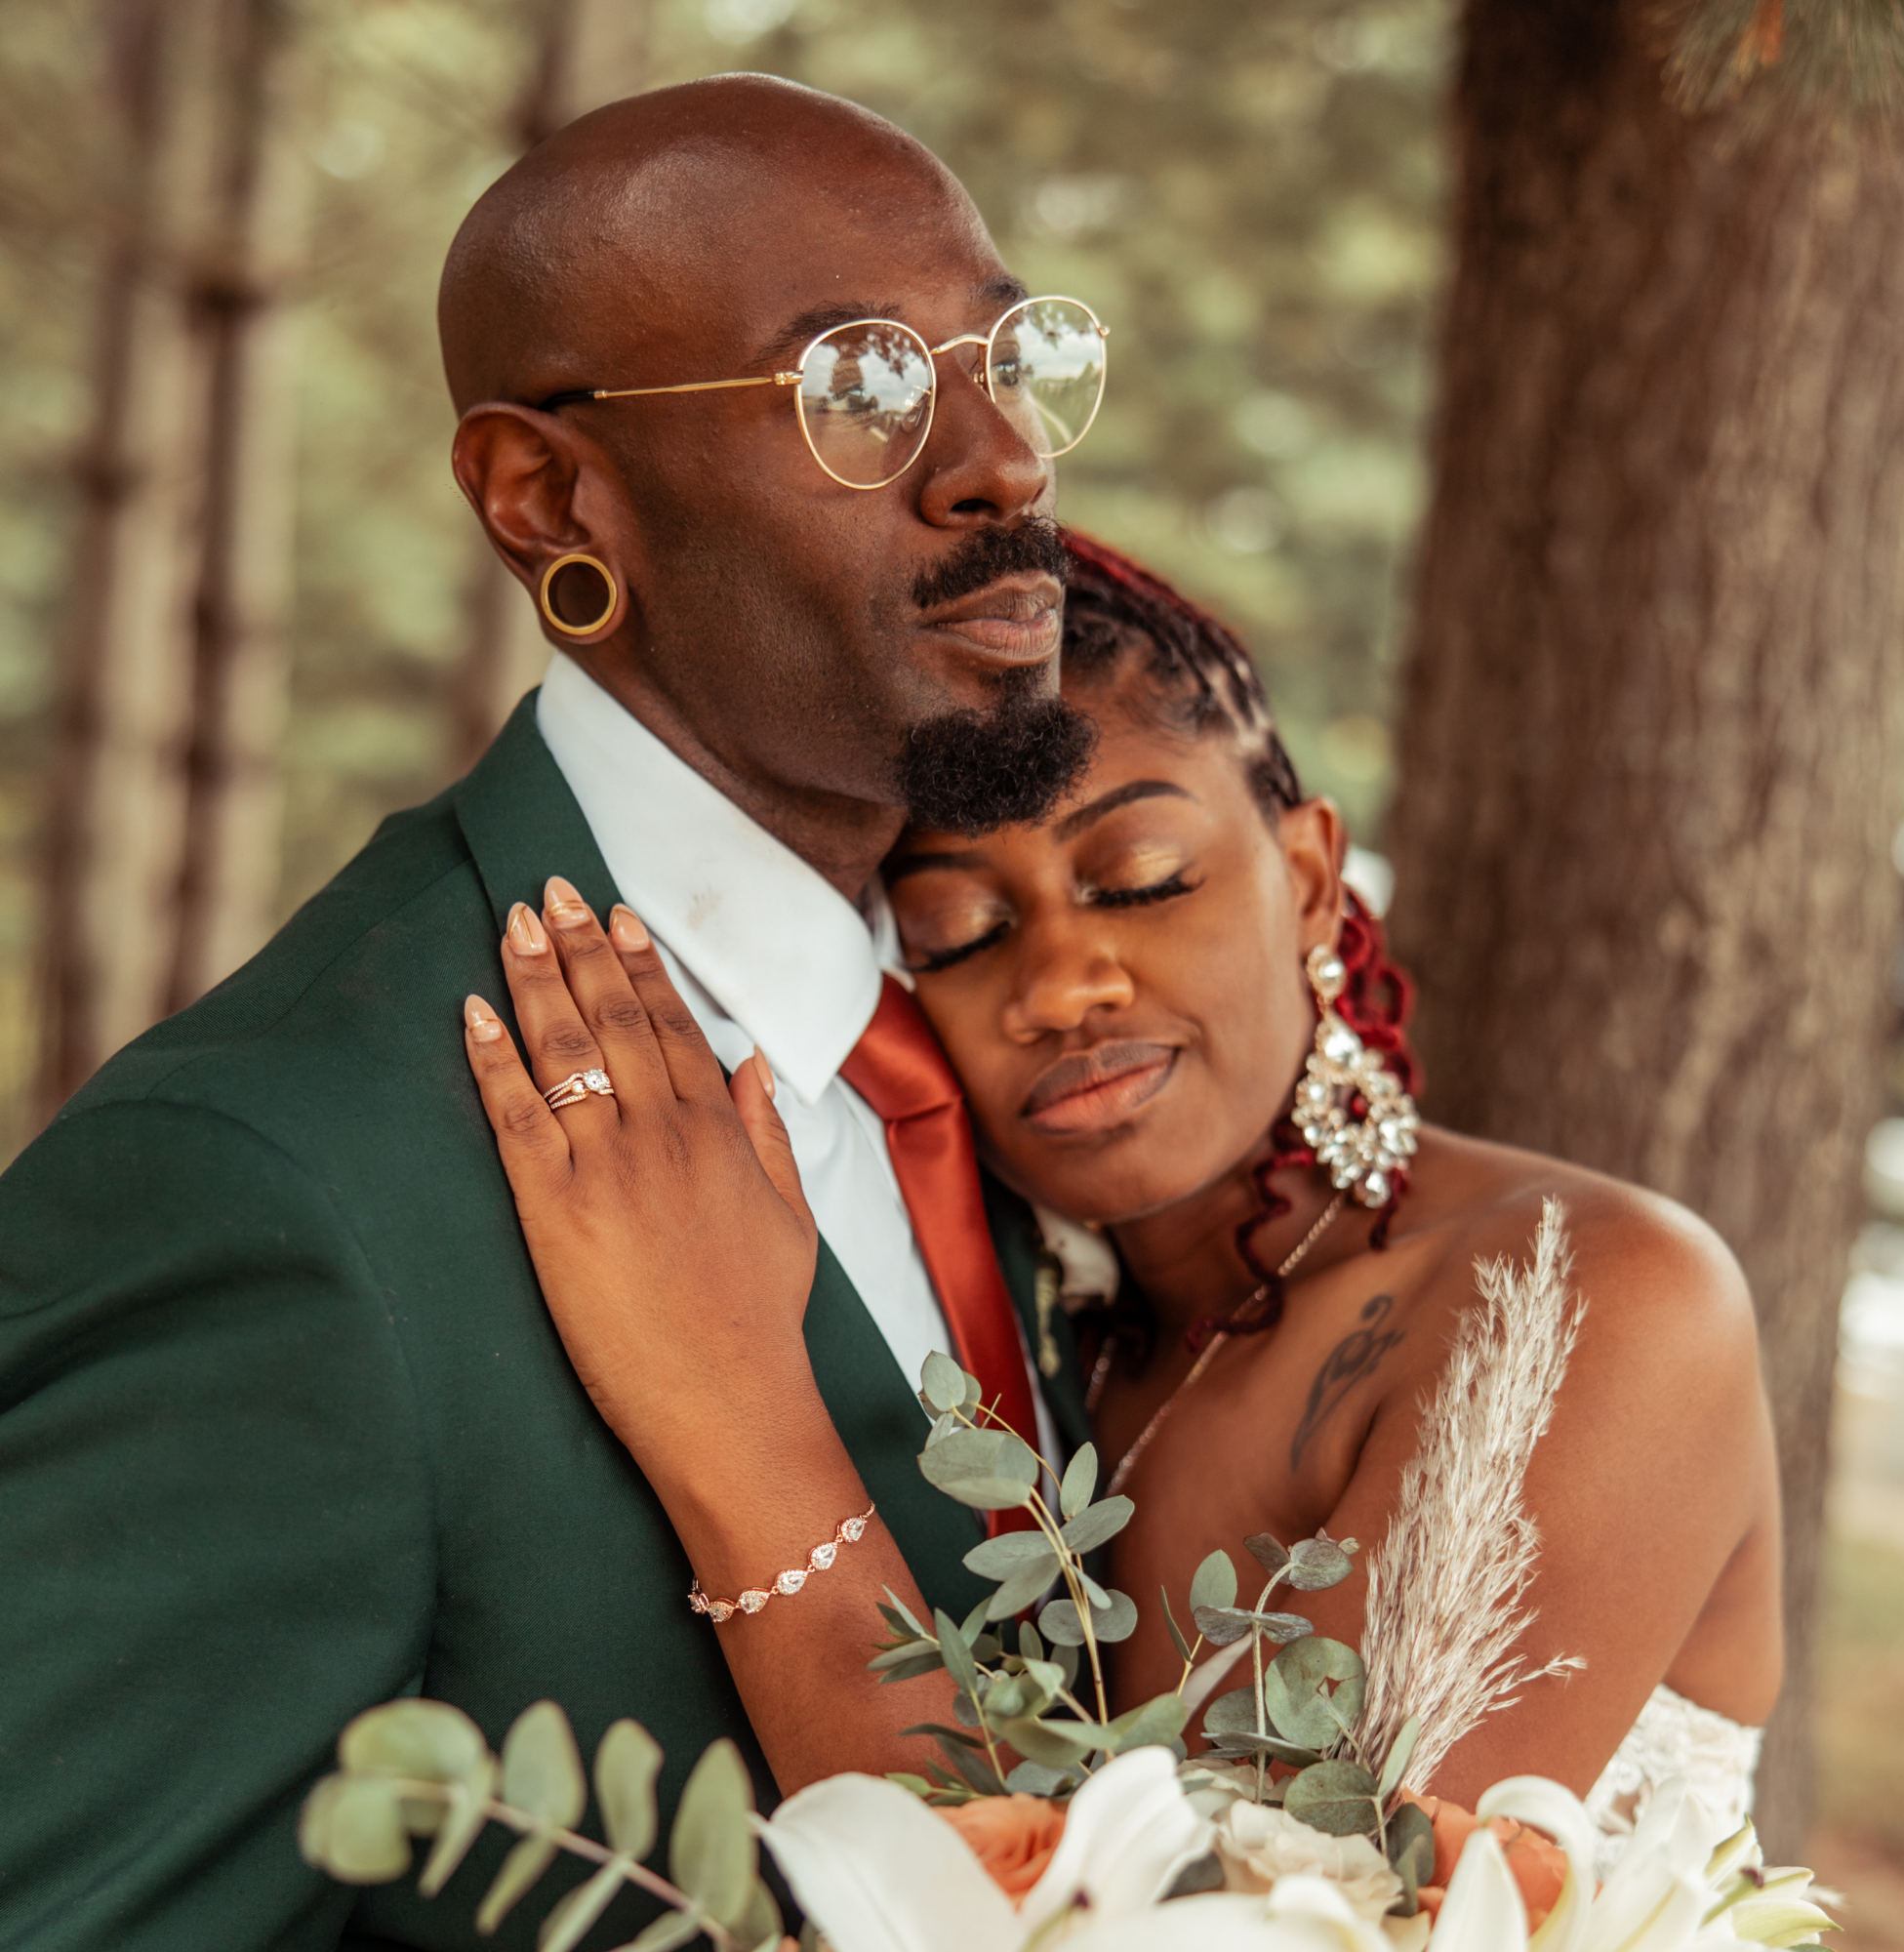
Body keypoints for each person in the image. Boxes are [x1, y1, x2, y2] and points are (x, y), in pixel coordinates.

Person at [0, 78, 1105, 1949]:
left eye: (1011, 353)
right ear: (550, 496)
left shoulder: (1027, 1059)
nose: (999, 458)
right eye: (856, 382)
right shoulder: (276, 1185)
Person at [472, 534, 1782, 1850]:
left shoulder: (1593, 1301)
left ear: (1314, 886)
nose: (1059, 985)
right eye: (959, 936)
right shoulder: (1038, 1336)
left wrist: (731, 1418)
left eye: (1142, 879)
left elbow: (1283, 1918)